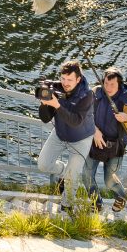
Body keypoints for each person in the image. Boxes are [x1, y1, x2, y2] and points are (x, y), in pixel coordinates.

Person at [37, 60, 95, 201]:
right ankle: (65, 171)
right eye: (63, 78)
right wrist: (45, 104)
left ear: (78, 79)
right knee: (43, 165)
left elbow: (76, 121)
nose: (65, 83)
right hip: (60, 134)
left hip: (81, 138)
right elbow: (45, 119)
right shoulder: (56, 88)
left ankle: (67, 205)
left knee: (72, 177)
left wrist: (57, 105)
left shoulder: (87, 95)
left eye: (69, 79)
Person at [87, 67, 127, 213]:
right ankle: (96, 201)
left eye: (112, 85)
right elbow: (87, 114)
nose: (108, 88)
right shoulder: (96, 92)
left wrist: (126, 118)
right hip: (95, 142)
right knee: (86, 175)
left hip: (115, 146)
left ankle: (122, 195)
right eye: (106, 84)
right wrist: (95, 130)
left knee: (109, 181)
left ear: (119, 84)